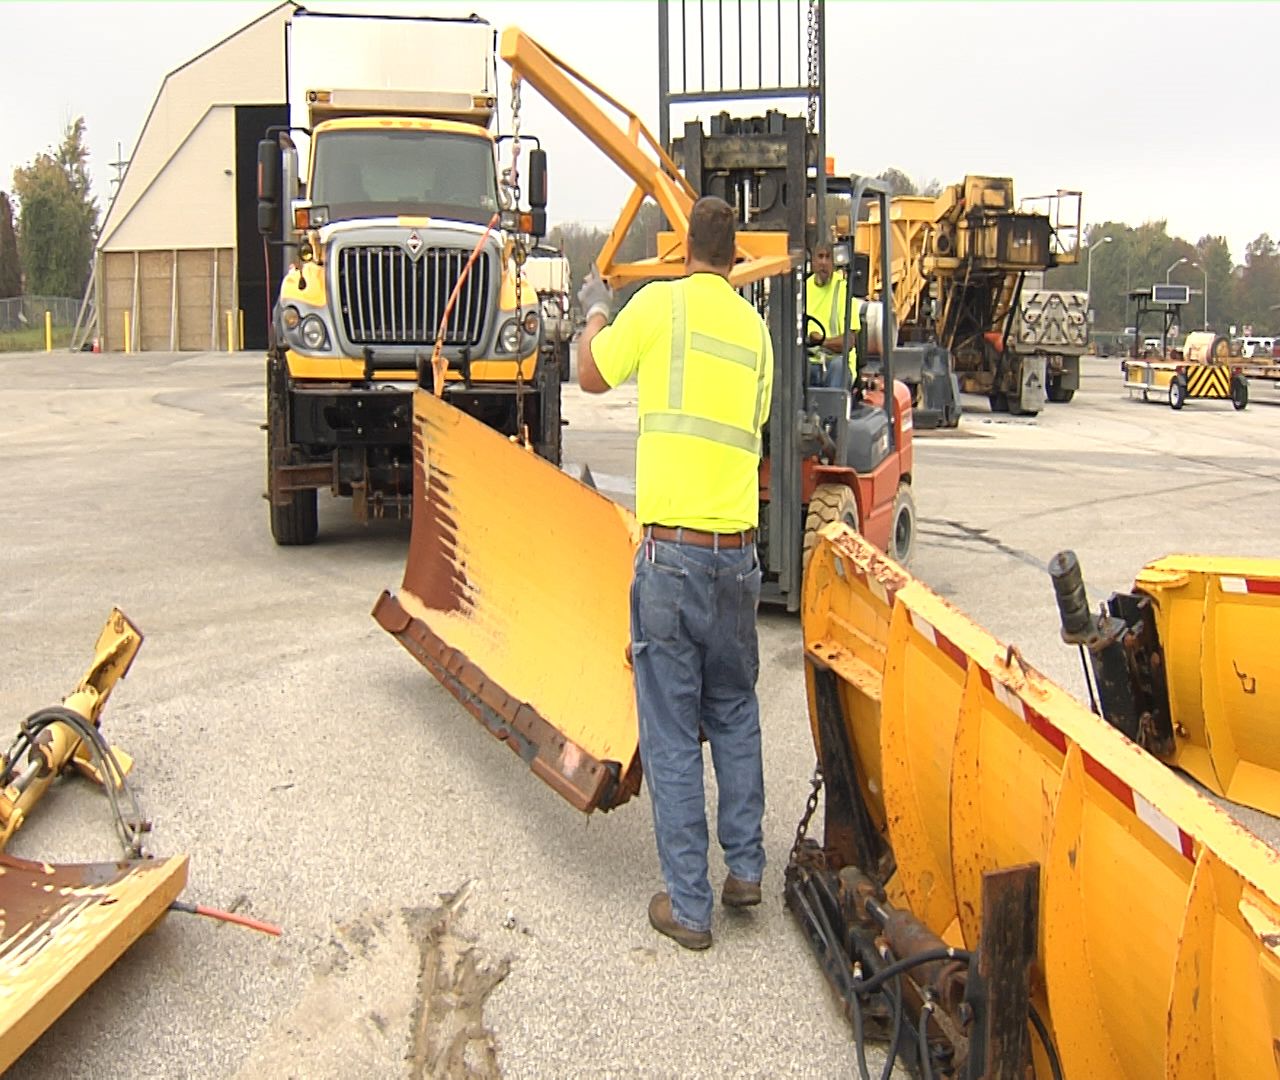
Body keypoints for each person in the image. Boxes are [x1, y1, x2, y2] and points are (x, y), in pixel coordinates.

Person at [575, 196, 773, 951]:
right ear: (737, 256)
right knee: (733, 707)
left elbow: (590, 375)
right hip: (738, 560)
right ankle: (745, 868)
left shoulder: (659, 308)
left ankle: (690, 908)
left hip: (671, 560)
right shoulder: (757, 333)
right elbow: (752, 427)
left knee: (668, 730)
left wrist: (597, 309)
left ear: (686, 246)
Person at [805, 241, 860, 389]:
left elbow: (849, 341)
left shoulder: (843, 290)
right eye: (820, 257)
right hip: (810, 361)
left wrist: (821, 341)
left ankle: (831, 412)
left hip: (837, 361)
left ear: (833, 262)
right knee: (794, 367)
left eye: (828, 257)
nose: (823, 262)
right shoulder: (801, 289)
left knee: (837, 367)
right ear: (812, 262)